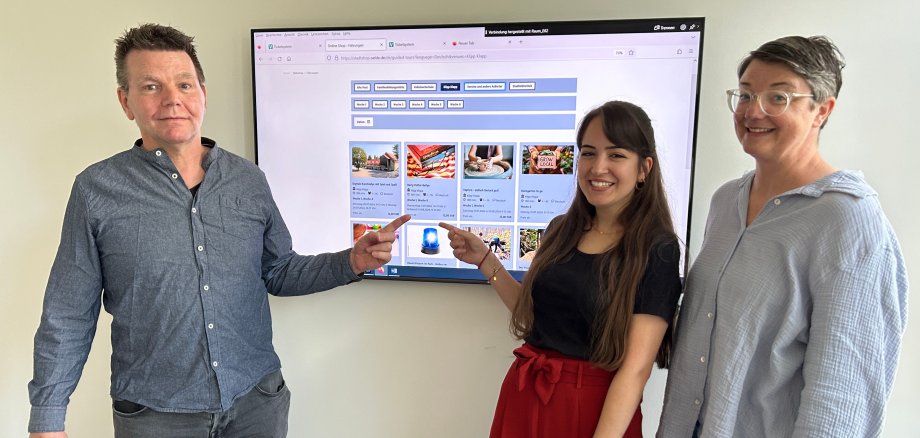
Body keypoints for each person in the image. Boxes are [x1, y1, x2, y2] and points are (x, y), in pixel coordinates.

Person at [27, 24, 409, 438]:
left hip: (256, 403)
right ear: (126, 101)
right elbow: (68, 312)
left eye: (184, 85)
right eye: (152, 87)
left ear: (203, 95)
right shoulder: (96, 190)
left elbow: (278, 271)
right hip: (156, 415)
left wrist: (350, 261)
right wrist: (47, 418)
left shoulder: (248, 179)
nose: (173, 99)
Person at [658, 36, 908, 437]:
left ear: (821, 110)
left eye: (778, 97)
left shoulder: (847, 219)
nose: (753, 111)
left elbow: (843, 396)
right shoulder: (727, 201)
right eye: (745, 95)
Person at [442, 101, 683, 437]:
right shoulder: (561, 229)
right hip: (525, 393)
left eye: (616, 155)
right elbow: (533, 315)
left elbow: (635, 370)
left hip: (594, 410)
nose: (598, 167)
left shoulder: (657, 248)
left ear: (644, 168)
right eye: (589, 153)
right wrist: (486, 260)